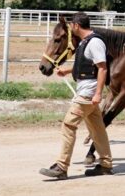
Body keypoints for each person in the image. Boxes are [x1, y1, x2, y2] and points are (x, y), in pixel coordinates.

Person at [40, 12, 113, 179]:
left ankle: (61, 166)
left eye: (72, 25)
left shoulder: (94, 43)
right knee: (97, 129)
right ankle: (105, 164)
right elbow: (89, 66)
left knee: (68, 125)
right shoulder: (85, 43)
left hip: (88, 94)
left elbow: (102, 68)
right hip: (87, 92)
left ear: (76, 26)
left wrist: (98, 94)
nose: (71, 28)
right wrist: (67, 70)